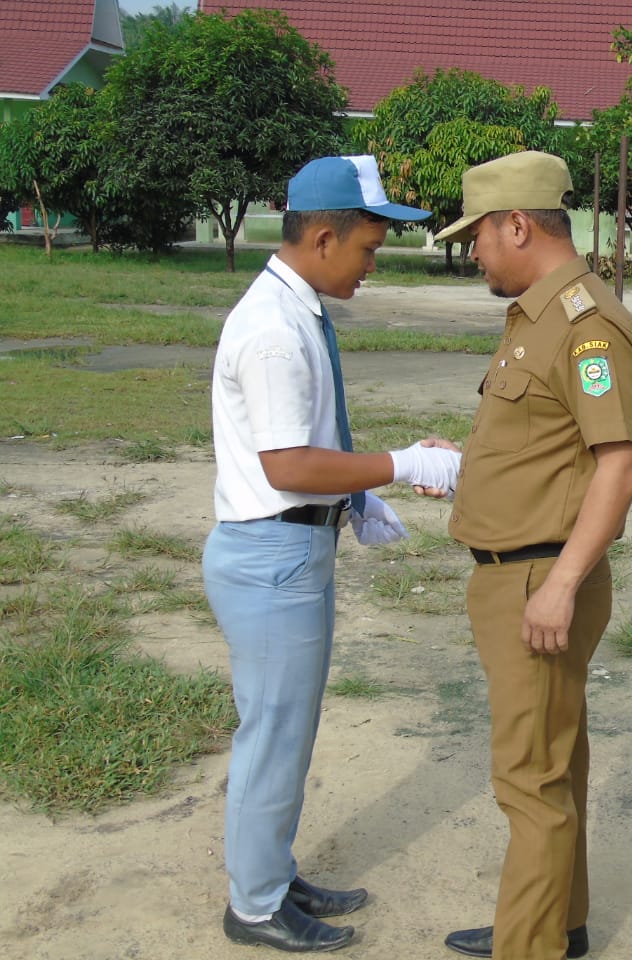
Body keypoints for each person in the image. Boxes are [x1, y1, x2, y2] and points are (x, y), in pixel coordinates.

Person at [203, 154, 461, 953]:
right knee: (275, 735)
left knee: (289, 733)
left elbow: (302, 451)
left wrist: (354, 499)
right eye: (369, 250)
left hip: (290, 549)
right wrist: (402, 464)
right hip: (271, 557)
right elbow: (287, 467)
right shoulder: (277, 333)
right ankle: (253, 906)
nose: (372, 266)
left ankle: (270, 871)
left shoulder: (297, 309)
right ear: (323, 237)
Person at [431, 151, 632, 960]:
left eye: (479, 236)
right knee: (554, 764)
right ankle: (556, 918)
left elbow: (620, 463)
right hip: (520, 571)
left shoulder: (586, 324)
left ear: (519, 225)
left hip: (538, 580)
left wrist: (559, 585)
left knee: (531, 780)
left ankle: (531, 945)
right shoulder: (538, 314)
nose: (474, 252)